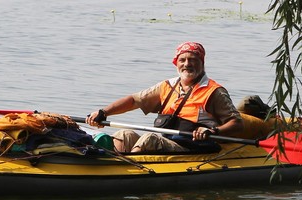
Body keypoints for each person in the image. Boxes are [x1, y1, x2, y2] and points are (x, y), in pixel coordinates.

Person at [85, 41, 244, 153]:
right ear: (176, 63)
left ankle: (125, 173)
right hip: (169, 143)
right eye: (182, 60)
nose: (187, 64)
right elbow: (133, 101)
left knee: (150, 139)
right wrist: (103, 113)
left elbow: (236, 123)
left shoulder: (214, 91)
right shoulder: (167, 86)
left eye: (193, 60)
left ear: (202, 63)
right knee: (123, 134)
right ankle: (113, 164)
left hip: (194, 148)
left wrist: (212, 130)